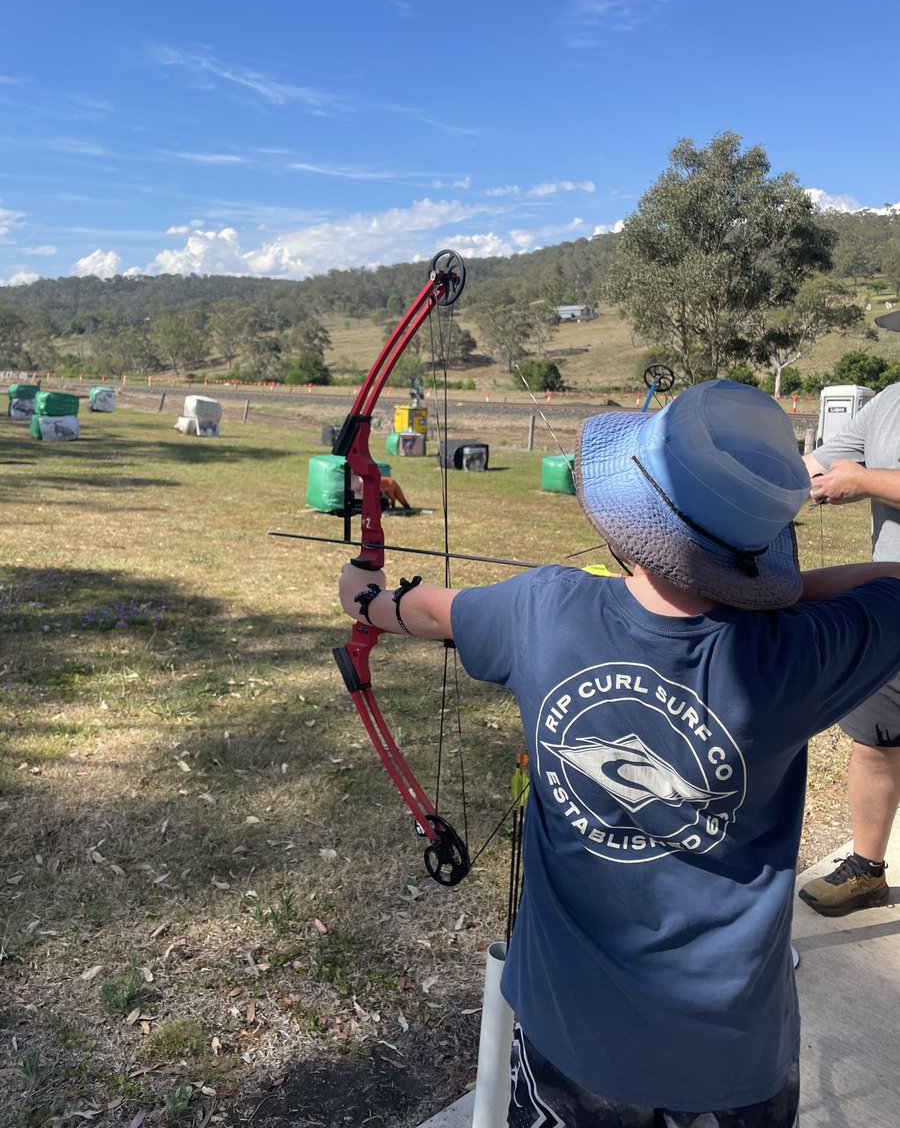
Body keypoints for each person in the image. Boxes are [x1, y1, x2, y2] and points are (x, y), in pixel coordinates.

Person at [339, 380, 900, 1127]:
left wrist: (366, 599)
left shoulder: (543, 607)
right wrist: (783, 597)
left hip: (574, 1033)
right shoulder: (800, 655)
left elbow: (430, 609)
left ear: (624, 525)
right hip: (733, 1049)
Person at [797, 381, 900, 917]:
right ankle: (867, 871)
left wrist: (864, 482)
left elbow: (854, 476)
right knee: (875, 741)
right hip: (893, 602)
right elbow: (817, 462)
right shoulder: (889, 400)